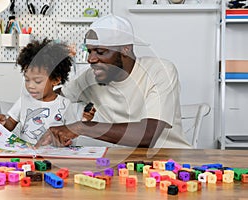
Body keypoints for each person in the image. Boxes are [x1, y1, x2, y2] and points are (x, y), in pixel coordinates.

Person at [35, 14, 192, 149]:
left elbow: (147, 135)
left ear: (125, 50)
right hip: (124, 164)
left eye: (100, 51)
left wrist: (81, 127)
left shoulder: (160, 71)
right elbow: (55, 98)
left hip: (172, 162)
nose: (91, 59)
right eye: (89, 51)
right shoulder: (90, 76)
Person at [0, 38, 95, 145]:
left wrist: (66, 140)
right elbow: (10, 124)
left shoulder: (64, 104)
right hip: (27, 155)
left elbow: (71, 133)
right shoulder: (23, 101)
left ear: (56, 80)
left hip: (54, 156)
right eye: (27, 80)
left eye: (37, 81)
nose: (30, 86)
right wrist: (1, 122)